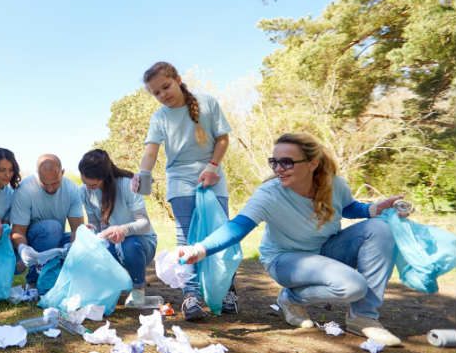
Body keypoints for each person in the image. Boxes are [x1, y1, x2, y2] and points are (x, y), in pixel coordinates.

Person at [178, 132, 409, 347]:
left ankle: (364, 317)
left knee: (381, 228)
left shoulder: (334, 184)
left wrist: (374, 209)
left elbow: (348, 208)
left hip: (326, 250)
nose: (279, 168)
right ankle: (291, 298)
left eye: (287, 162)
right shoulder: (269, 194)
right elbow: (238, 226)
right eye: (274, 162)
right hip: (285, 260)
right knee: (353, 286)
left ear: (312, 163)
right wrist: (201, 249)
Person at [133, 61, 237, 320]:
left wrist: (213, 166)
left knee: (219, 235)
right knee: (186, 238)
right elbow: (151, 151)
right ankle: (191, 296)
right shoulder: (159, 117)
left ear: (178, 79)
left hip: (211, 175)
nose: (163, 95)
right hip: (179, 179)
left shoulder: (206, 103)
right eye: (156, 93)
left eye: (166, 87)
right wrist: (142, 174)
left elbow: (223, 138)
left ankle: (226, 291)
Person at [79, 149, 157, 307]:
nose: (89, 188)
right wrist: (90, 229)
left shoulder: (127, 185)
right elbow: (95, 224)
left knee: (129, 244)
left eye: (93, 184)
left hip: (141, 243)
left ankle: (138, 289)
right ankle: (111, 288)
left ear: (105, 177)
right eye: (86, 183)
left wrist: (123, 230)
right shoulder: (85, 192)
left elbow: (144, 223)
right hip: (112, 244)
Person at [10, 154, 84, 288]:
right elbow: (18, 231)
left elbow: (77, 229)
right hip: (32, 242)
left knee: (85, 241)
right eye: (45, 184)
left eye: (55, 182)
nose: (50, 188)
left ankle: (61, 279)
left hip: (56, 239)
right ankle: (34, 280)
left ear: (62, 173)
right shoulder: (25, 189)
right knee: (52, 228)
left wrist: (74, 246)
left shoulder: (71, 189)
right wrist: (23, 249)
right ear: (37, 175)